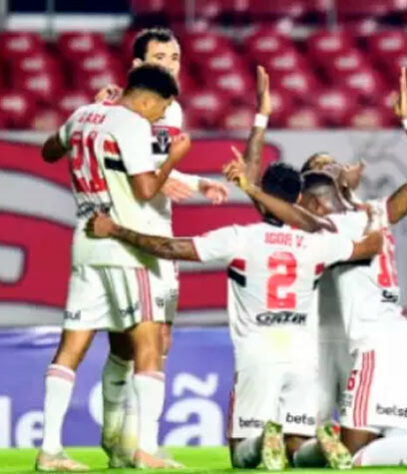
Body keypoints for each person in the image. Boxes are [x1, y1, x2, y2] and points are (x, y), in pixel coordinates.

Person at [226, 66, 407, 466]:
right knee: (338, 450)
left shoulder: (332, 225)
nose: (329, 166)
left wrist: (258, 135)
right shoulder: (372, 213)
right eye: (321, 166)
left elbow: (263, 203)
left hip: (369, 341)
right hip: (341, 344)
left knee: (355, 454)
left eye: (330, 165)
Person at [86, 159, 384, 470]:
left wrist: (117, 230)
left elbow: (172, 248)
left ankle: (261, 441)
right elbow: (371, 246)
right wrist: (372, 214)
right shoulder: (319, 243)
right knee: (297, 447)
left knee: (242, 455)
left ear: (263, 196)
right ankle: (321, 446)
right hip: (303, 354)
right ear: (298, 199)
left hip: (259, 349)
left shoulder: (239, 237)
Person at [35, 64, 188, 471]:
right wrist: (173, 158)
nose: (159, 117)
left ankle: (50, 449)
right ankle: (147, 449)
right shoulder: (133, 124)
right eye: (162, 107)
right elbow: (146, 189)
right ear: (147, 98)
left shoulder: (83, 113)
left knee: (70, 350)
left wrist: (88, 115)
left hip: (86, 242)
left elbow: (49, 150)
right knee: (149, 348)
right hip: (126, 247)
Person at [94, 27, 229, 468]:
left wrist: (197, 181)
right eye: (160, 56)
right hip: (122, 236)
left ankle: (136, 442)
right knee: (124, 343)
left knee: (160, 338)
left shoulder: (172, 114)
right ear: (136, 65)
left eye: (175, 56)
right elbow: (130, 172)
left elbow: (158, 172)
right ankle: (118, 439)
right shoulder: (116, 109)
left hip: (159, 238)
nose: (170, 64)